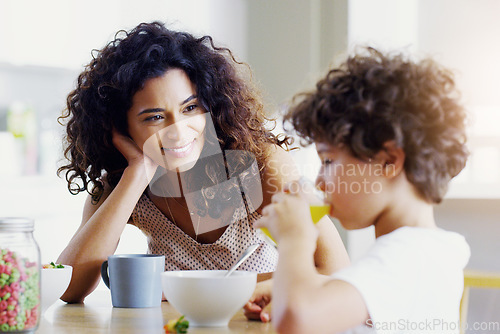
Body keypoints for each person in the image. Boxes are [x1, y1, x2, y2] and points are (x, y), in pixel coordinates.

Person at [56, 21, 349, 303]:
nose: (178, 131)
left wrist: (184, 288)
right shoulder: (123, 184)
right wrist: (138, 174)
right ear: (120, 127)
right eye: (155, 117)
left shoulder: (261, 164)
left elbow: (335, 270)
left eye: (191, 108)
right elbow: (69, 288)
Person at [246, 47, 470, 333]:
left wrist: (295, 239)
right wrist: (303, 285)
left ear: (389, 161)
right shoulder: (431, 250)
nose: (319, 182)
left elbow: (296, 323)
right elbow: (374, 297)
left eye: (328, 161)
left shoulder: (405, 257)